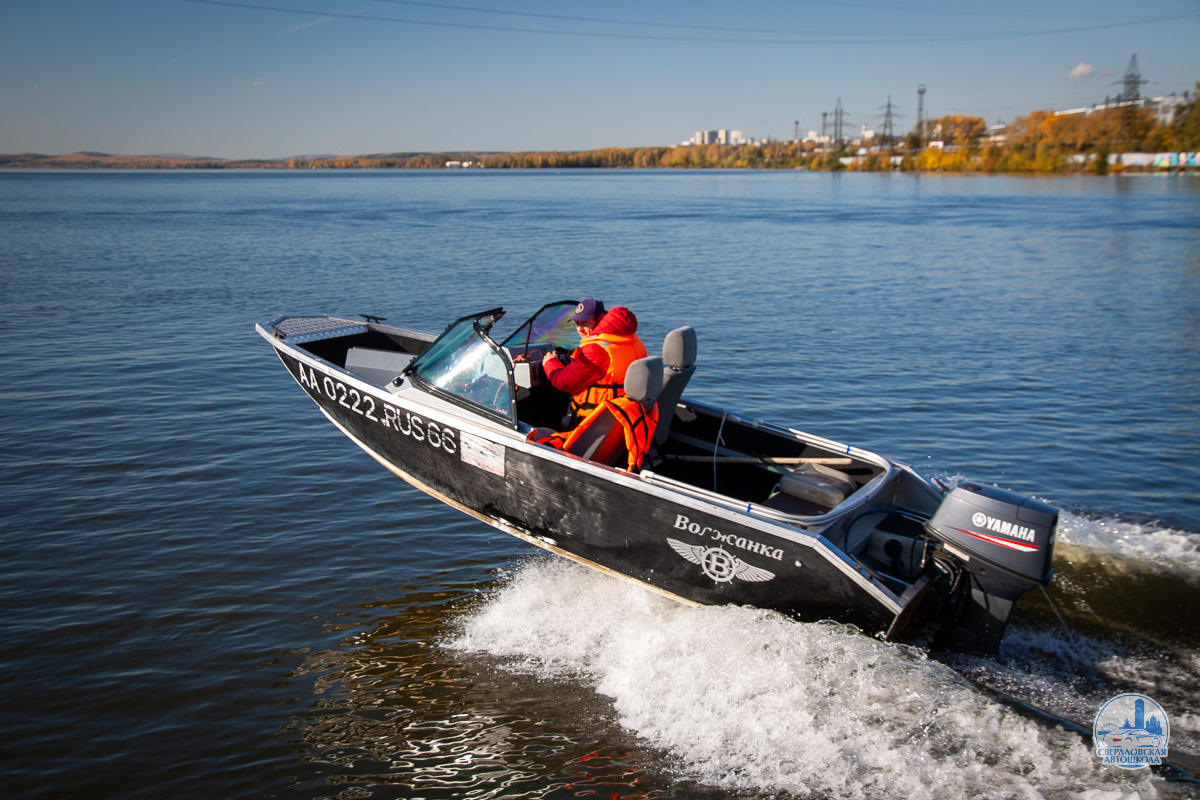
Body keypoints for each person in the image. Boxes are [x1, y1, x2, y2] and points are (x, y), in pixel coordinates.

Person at [541, 298, 647, 428]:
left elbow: (562, 382)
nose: (580, 329)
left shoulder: (597, 351)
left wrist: (550, 362)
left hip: (592, 421)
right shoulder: (631, 341)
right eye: (577, 323)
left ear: (600, 320)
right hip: (623, 415)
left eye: (585, 323)